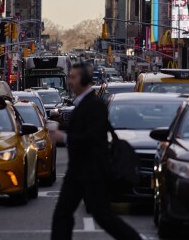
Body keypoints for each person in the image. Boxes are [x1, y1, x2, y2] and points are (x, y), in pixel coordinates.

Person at [49, 63, 141, 240]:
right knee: (62, 214)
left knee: (103, 216)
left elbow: (93, 137)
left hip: (93, 172)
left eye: (73, 77)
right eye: (69, 77)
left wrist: (64, 138)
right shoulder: (83, 103)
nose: (69, 81)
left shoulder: (95, 104)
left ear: (84, 80)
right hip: (77, 172)